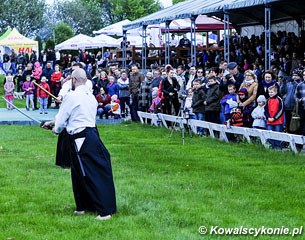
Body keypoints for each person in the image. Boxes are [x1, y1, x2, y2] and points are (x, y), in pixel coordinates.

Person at [42, 68, 116, 220]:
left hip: (80, 139)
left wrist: (56, 129)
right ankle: (82, 206)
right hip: (91, 134)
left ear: (74, 80)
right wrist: (53, 123)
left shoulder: (71, 96)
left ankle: (104, 211)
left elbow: (63, 119)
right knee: (77, 172)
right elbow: (76, 116)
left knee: (90, 172)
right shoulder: (91, 97)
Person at [264, 85, 285, 149]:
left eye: (272, 92)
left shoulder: (279, 99)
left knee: (277, 134)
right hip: (269, 120)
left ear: (276, 92)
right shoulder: (268, 100)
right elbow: (265, 110)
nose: (270, 94)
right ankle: (271, 147)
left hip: (278, 121)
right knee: (270, 134)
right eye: (269, 92)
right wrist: (268, 118)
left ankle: (278, 147)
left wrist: (274, 118)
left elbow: (281, 110)